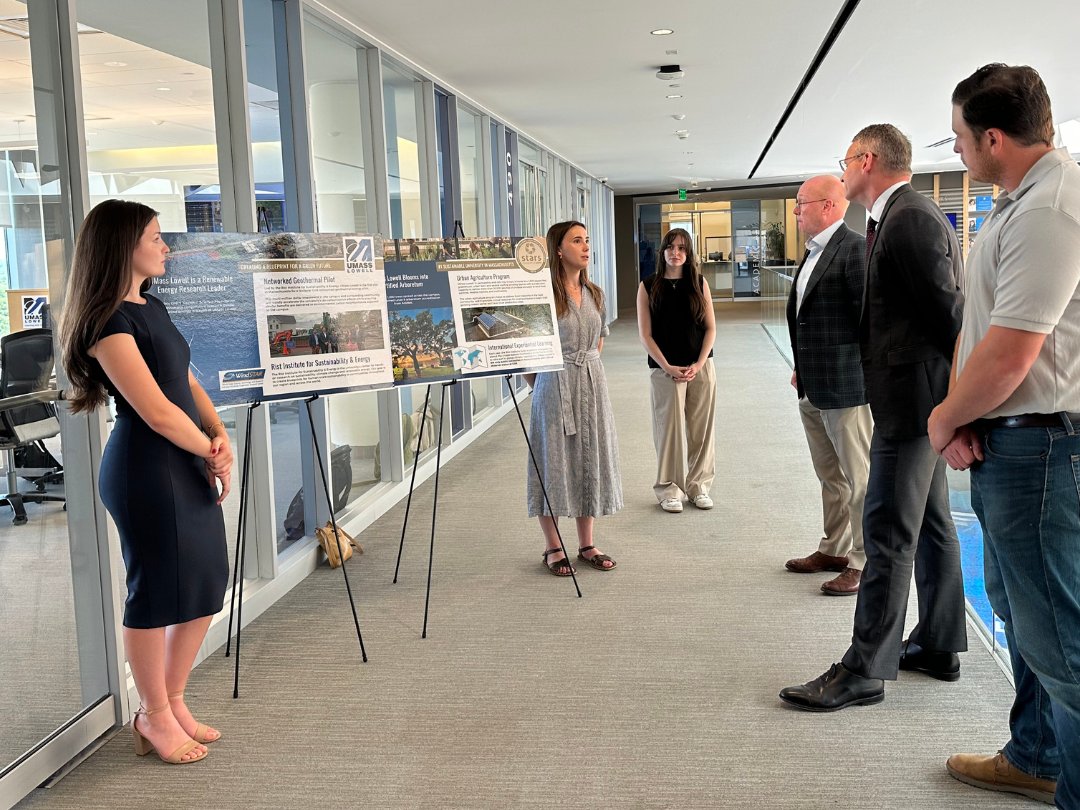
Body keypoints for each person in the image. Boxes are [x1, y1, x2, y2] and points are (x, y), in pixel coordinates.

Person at [929, 63, 1080, 808]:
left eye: (960, 138)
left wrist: (944, 416)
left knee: (1060, 639)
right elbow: (982, 327)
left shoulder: (1053, 205)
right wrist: (969, 414)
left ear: (994, 136)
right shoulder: (1017, 202)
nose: (957, 151)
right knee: (1023, 614)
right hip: (1012, 438)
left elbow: (1015, 349)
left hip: (1044, 446)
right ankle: (1036, 753)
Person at [780, 124, 967, 711]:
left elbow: (952, 318)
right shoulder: (898, 216)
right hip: (915, 401)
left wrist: (955, 406)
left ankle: (865, 667)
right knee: (933, 523)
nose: (844, 168)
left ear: (866, 161)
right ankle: (938, 643)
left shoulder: (906, 218)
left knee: (886, 531)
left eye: (846, 160)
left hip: (912, 406)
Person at [59, 199, 232, 765]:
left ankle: (172, 699)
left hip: (182, 457)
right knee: (156, 592)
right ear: (123, 244)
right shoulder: (108, 322)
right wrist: (206, 449)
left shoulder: (150, 307)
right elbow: (155, 411)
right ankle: (153, 714)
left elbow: (184, 380)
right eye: (156, 238)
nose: (166, 247)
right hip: (145, 470)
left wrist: (216, 431)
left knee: (207, 582)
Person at [783, 175, 871, 596]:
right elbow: (805, 317)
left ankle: (862, 560)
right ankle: (833, 548)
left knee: (858, 477)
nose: (797, 211)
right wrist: (801, 364)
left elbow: (867, 322)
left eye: (802, 203)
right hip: (812, 383)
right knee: (830, 476)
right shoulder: (813, 252)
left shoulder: (854, 250)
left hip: (845, 387)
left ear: (829, 206)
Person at [526, 220, 622, 575]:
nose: (585, 247)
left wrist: (587, 364)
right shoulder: (544, 295)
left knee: (589, 459)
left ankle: (586, 543)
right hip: (554, 385)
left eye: (587, 240)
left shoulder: (595, 293)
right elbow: (528, 351)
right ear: (558, 249)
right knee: (552, 462)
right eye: (577, 241)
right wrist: (542, 386)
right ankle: (553, 546)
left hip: (593, 383)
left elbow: (599, 339)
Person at [635, 227, 716, 513]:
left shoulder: (699, 283)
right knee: (668, 431)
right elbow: (646, 335)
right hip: (664, 369)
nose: (676, 253)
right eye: (671, 247)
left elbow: (710, 329)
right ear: (663, 252)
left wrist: (700, 363)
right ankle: (669, 489)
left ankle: (699, 487)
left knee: (702, 431)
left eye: (682, 248)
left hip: (701, 368)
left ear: (689, 253)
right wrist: (667, 365)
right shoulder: (648, 286)